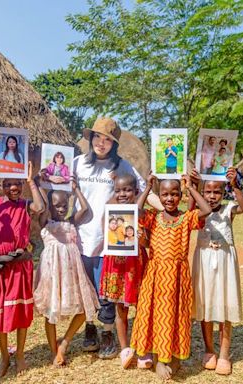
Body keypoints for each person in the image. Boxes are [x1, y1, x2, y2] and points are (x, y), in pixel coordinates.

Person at [72, 117, 161, 359]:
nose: (101, 143)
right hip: (81, 237)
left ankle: (108, 332)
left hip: (111, 240)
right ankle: (90, 328)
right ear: (90, 139)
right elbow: (59, 187)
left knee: (107, 291)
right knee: (85, 287)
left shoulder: (122, 167)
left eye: (107, 140)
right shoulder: (78, 163)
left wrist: (165, 208)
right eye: (97, 137)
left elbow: (143, 190)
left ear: (114, 144)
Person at [131, 175, 212, 380]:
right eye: (165, 194)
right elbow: (136, 211)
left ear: (181, 196)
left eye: (175, 194)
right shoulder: (153, 217)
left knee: (175, 316)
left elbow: (207, 210)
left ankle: (173, 355)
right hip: (156, 275)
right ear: (158, 195)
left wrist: (191, 188)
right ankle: (159, 359)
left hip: (177, 277)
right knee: (158, 315)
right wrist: (148, 187)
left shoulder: (186, 218)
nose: (170, 198)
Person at [0, 161, 44, 376]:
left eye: (18, 183)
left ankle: (20, 354)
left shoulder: (25, 204)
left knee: (21, 311)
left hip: (20, 266)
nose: (13, 187)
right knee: (0, 311)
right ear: (1, 185)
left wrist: (31, 181)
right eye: (8, 184)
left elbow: (40, 208)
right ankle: (4, 355)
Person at [33, 181, 99, 366]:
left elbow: (85, 208)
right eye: (57, 205)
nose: (61, 209)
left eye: (64, 205)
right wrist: (40, 185)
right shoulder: (45, 221)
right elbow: (42, 207)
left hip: (72, 272)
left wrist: (75, 189)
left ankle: (65, 343)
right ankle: (54, 352)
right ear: (50, 206)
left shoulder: (71, 221)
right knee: (50, 311)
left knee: (85, 309)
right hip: (52, 272)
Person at [190, 167, 243, 376]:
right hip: (204, 260)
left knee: (225, 306)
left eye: (217, 192)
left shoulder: (228, 210)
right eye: (208, 192)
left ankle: (224, 354)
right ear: (202, 193)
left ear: (223, 194)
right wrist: (193, 186)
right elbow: (189, 210)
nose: (212, 196)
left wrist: (235, 185)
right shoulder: (197, 210)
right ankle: (209, 350)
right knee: (204, 305)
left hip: (224, 261)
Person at [98, 174, 149, 369]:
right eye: (118, 190)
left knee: (141, 307)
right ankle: (125, 348)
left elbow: (147, 242)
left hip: (135, 264)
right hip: (116, 265)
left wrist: (141, 238)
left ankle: (142, 346)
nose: (122, 194)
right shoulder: (111, 212)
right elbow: (106, 231)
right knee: (120, 307)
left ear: (136, 192)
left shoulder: (142, 214)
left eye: (127, 190)